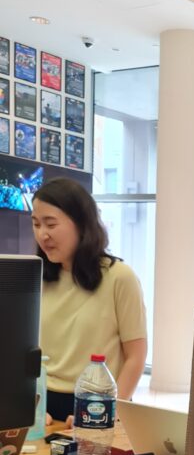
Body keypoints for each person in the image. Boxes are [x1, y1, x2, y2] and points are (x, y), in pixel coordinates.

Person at [31, 178, 147, 423]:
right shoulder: (36, 277)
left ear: (82, 224)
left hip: (97, 404)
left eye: (50, 224)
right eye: (36, 224)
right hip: (44, 405)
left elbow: (136, 357)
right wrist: (32, 405)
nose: (42, 234)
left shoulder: (119, 277)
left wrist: (110, 413)